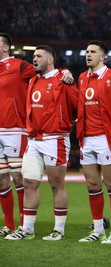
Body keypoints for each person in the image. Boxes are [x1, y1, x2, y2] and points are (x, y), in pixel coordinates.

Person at [0, 33, 74, 237]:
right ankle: (19, 227)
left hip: (35, 134)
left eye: (39, 56)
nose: (35, 59)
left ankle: (54, 229)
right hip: (32, 139)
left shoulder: (20, 67)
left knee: (42, 182)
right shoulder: (33, 80)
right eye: (34, 56)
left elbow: (73, 105)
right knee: (16, 181)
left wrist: (66, 71)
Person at [77, 40, 111, 244]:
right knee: (92, 186)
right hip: (86, 139)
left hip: (107, 139)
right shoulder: (81, 78)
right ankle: (98, 230)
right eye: (87, 51)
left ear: (103, 56)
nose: (88, 55)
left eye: (93, 52)